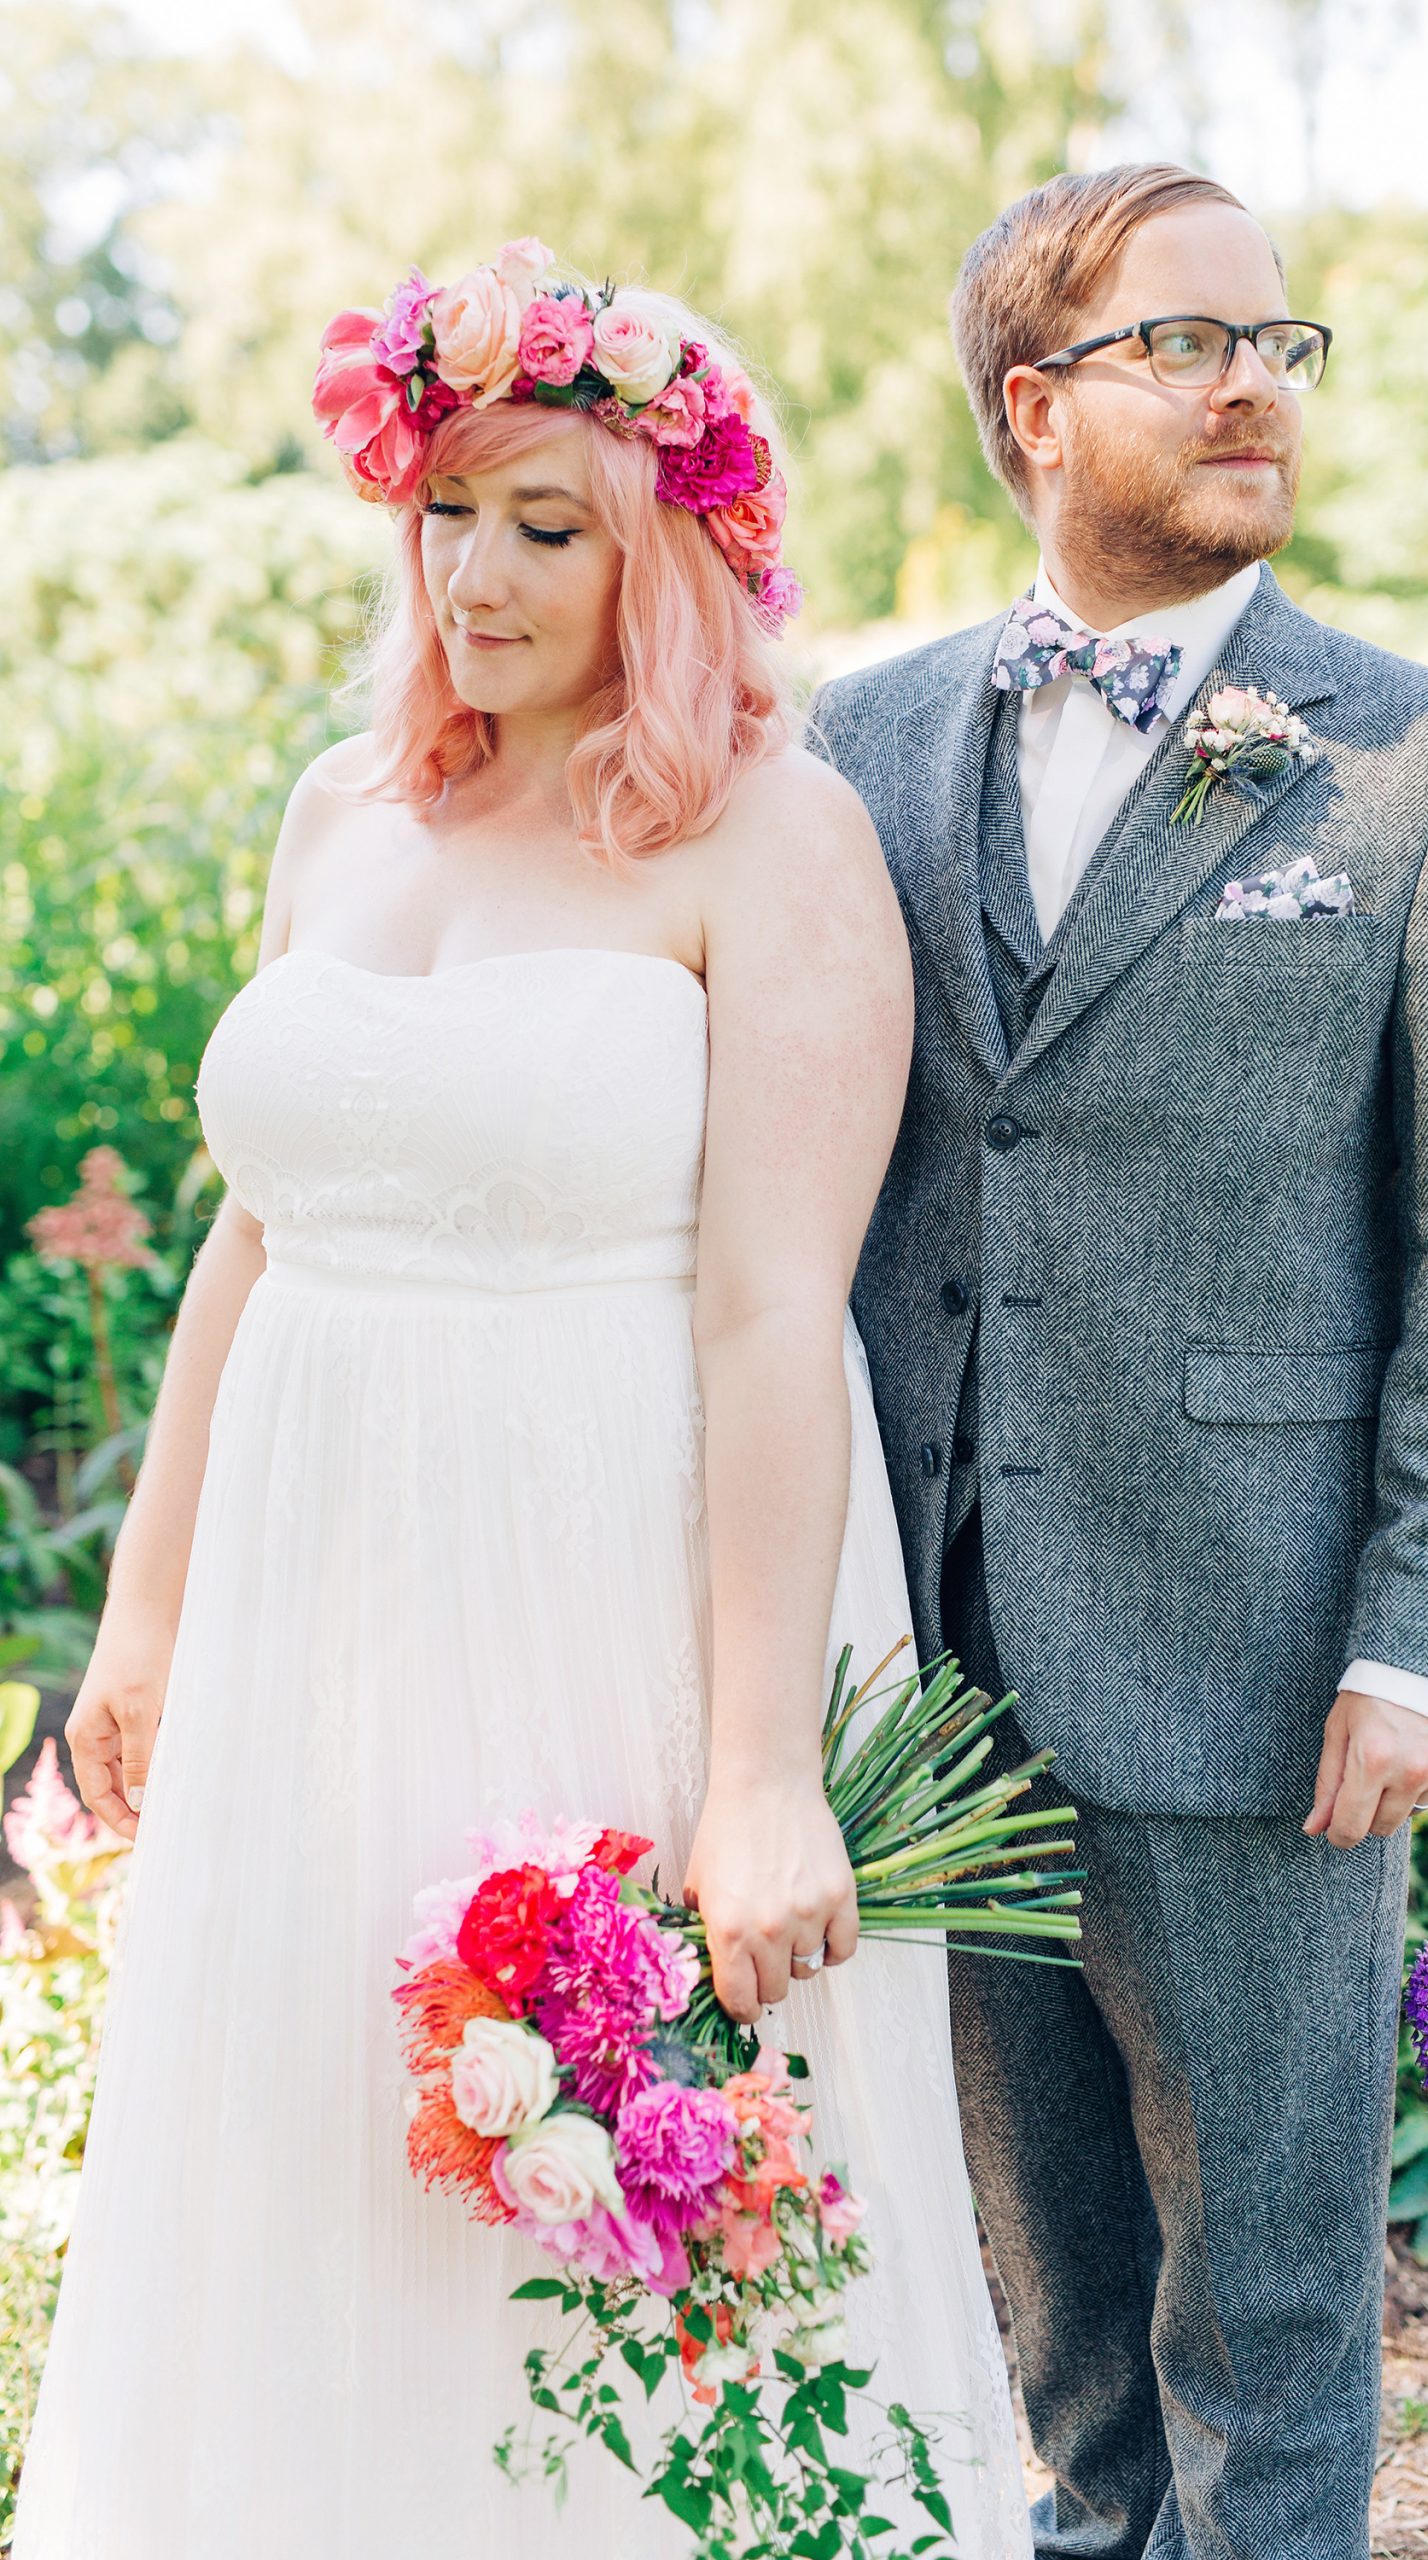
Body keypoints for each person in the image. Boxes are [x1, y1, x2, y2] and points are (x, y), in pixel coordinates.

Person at [13, 243, 1029, 2560]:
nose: (474, 574)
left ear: (663, 553)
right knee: (307, 2139)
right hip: (316, 1597)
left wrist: (762, 1767)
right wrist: (147, 1616)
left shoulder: (775, 842)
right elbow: (249, 1234)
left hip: (608, 1588)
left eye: (544, 527)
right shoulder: (336, 812)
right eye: (443, 512)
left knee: (598, 2184)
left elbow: (783, 1311)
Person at [812, 165, 1428, 2558]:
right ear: (1034, 406)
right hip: (934, 1662)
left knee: (1266, 2349)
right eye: (1187, 342)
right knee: (1059, 2362)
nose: (1254, 380)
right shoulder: (860, 741)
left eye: (1278, 341)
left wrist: (1427, 1641)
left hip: (1259, 1673)